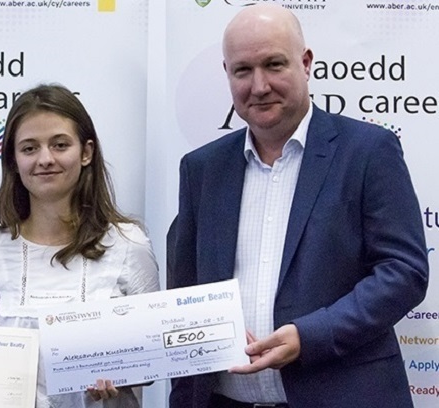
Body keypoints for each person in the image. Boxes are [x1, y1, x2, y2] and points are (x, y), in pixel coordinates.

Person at [169, 4, 429, 408]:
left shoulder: (368, 151)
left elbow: (404, 272)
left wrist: (310, 336)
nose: (259, 86)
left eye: (274, 64)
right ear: (227, 73)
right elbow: (183, 296)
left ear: (305, 63)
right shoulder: (202, 170)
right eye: (243, 70)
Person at [0, 84, 160, 408]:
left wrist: (119, 373)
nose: (45, 159)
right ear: (13, 160)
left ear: (86, 152)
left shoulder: (129, 244)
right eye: (29, 148)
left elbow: (151, 359)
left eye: (59, 145)